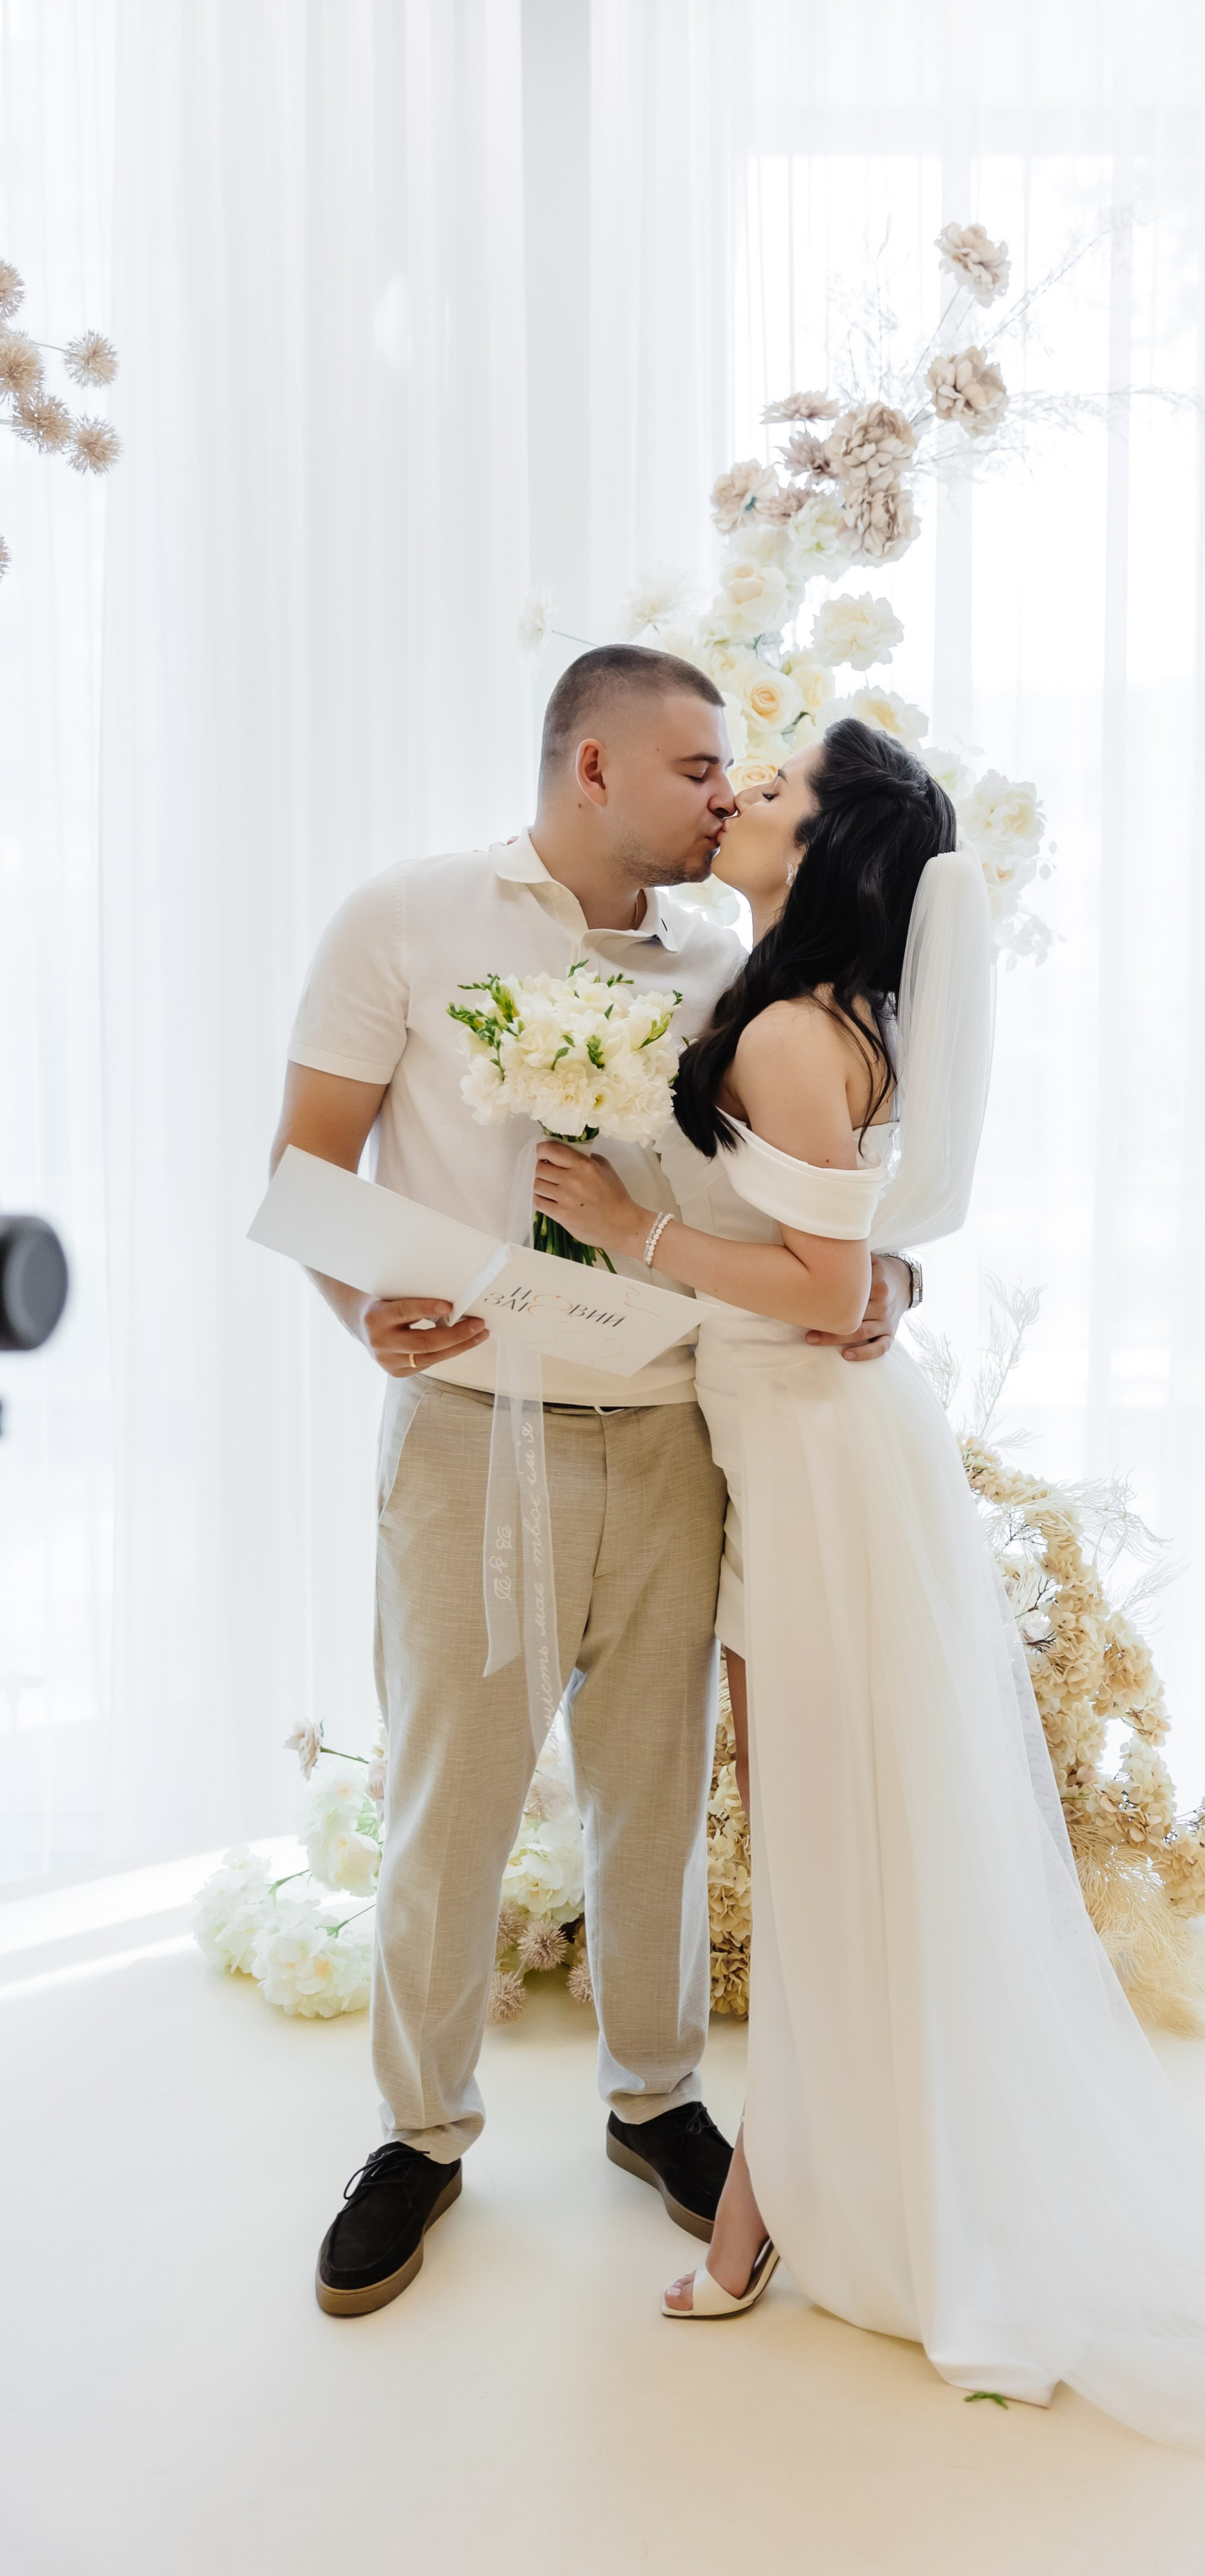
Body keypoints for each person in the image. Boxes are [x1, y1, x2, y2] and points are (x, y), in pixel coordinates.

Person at [528, 717, 1205, 2465]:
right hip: (806, 1445)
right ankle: (790, 2184)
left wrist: (631, 1233)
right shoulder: (811, 1008)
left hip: (822, 1466)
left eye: (774, 786)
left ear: (828, 850)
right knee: (829, 1839)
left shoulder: (781, 1028)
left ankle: (784, 2205)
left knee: (825, 1837)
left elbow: (825, 1275)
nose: (741, 791)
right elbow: (852, 1269)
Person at [270, 648, 917, 2317]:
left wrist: (883, 1284)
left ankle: (656, 2100)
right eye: (701, 766)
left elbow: (818, 1188)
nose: (725, 794)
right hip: (471, 1427)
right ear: (591, 769)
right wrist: (364, 1313)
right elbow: (305, 1162)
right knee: (451, 1802)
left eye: (739, 775)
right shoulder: (405, 918)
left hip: (681, 1430)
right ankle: (419, 2129)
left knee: (658, 1802)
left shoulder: (731, 959)